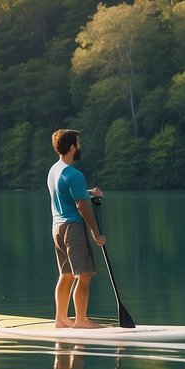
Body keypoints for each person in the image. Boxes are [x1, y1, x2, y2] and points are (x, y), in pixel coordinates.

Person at [48, 129, 106, 328]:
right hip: (73, 228)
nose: (80, 147)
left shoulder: (54, 170)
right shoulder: (74, 174)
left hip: (57, 228)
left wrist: (89, 192)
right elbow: (81, 206)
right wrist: (96, 233)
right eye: (78, 143)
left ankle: (61, 319)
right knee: (84, 274)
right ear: (71, 147)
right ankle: (80, 320)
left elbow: (66, 193)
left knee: (66, 275)